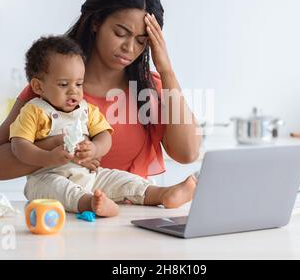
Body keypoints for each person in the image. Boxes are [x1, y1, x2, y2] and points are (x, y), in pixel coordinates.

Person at [0, 0, 201, 187]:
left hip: (129, 214)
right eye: (120, 33)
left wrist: (166, 70)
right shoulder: (53, 87)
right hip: (67, 215)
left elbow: (187, 153)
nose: (129, 48)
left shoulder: (148, 88)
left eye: (141, 41)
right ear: (96, 22)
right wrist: (57, 146)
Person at [11, 35, 196, 216]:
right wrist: (48, 157)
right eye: (63, 84)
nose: (73, 91)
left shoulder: (86, 110)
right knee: (57, 188)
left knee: (123, 179)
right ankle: (91, 203)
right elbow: (19, 147)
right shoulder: (33, 111)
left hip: (89, 174)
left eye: (79, 84)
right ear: (38, 87)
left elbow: (104, 135)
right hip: (48, 175)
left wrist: (95, 148)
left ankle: (163, 194)